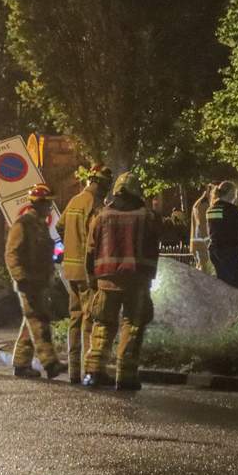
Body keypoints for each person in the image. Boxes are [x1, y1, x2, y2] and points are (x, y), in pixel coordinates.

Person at [84, 171, 160, 391]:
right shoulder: (147, 216)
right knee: (133, 325)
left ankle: (94, 372)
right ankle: (125, 376)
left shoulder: (101, 215)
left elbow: (90, 250)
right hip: (137, 279)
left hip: (106, 279)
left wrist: (92, 278)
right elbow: (160, 236)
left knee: (103, 324)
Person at [58, 164, 112, 383]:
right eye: (107, 185)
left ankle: (74, 372)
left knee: (74, 319)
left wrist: (70, 245)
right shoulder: (95, 204)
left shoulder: (74, 200)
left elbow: (60, 227)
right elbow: (97, 237)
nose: (108, 189)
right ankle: (91, 371)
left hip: (70, 271)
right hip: (87, 272)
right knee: (90, 320)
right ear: (100, 183)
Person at [5, 184, 63, 379]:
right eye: (48, 203)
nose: (50, 207)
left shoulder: (39, 224)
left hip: (39, 281)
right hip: (28, 282)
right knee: (39, 322)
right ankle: (50, 363)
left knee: (30, 321)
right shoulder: (23, 224)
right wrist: (20, 277)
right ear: (39, 204)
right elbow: (12, 253)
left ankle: (21, 364)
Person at [206, 181, 238, 291]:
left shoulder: (211, 208)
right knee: (237, 284)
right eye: (235, 193)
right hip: (230, 251)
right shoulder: (231, 210)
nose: (236, 196)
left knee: (223, 283)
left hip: (215, 250)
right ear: (230, 193)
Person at [189, 184, 214, 274]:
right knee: (205, 274)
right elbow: (203, 227)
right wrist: (209, 243)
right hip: (203, 245)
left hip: (198, 245)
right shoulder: (204, 207)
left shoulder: (197, 205)